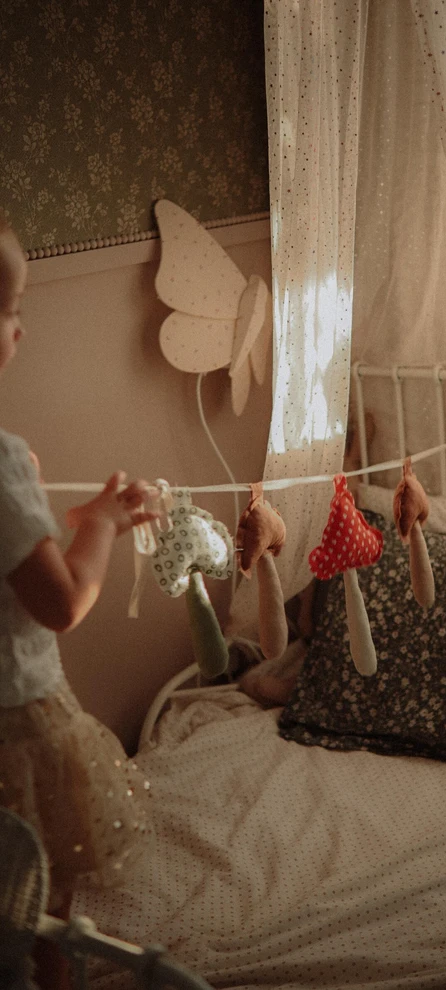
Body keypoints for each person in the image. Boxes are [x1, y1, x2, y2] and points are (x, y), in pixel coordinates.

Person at [0, 218, 157, 987]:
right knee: (39, 904)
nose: (19, 329)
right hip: (15, 723)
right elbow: (60, 604)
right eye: (6, 309)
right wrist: (100, 525)